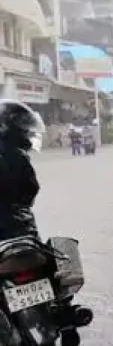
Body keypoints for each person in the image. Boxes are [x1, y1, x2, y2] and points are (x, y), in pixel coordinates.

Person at [0, 100, 46, 241]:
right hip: (16, 228)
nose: (26, 133)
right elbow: (30, 190)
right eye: (23, 128)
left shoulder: (12, 152)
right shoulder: (15, 155)